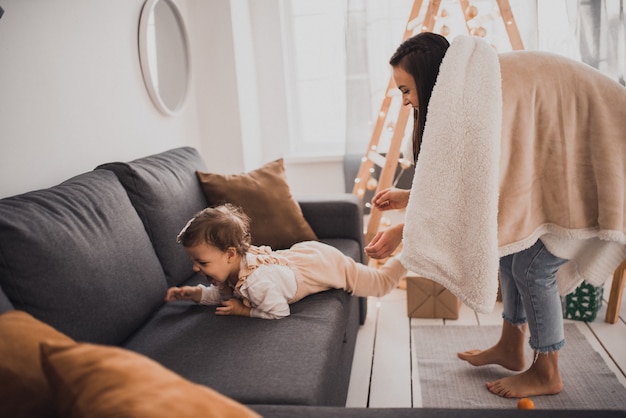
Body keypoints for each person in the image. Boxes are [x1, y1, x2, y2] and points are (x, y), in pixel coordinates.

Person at [365, 32, 626, 398]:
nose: (405, 101)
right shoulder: (469, 90)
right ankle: (510, 345)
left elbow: (468, 189)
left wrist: (402, 233)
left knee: (533, 268)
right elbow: (472, 181)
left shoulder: (473, 102)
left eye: (406, 90)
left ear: (428, 78)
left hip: (605, 148)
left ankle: (547, 369)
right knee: (508, 246)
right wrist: (410, 197)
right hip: (568, 153)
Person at [165, 204, 407, 319]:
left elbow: (279, 311)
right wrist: (193, 294)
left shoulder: (256, 283)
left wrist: (244, 310)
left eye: (202, 263)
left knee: (381, 283)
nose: (195, 268)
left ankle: (410, 255)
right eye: (194, 262)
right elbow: (221, 295)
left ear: (229, 254)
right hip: (301, 256)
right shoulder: (231, 270)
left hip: (324, 266)